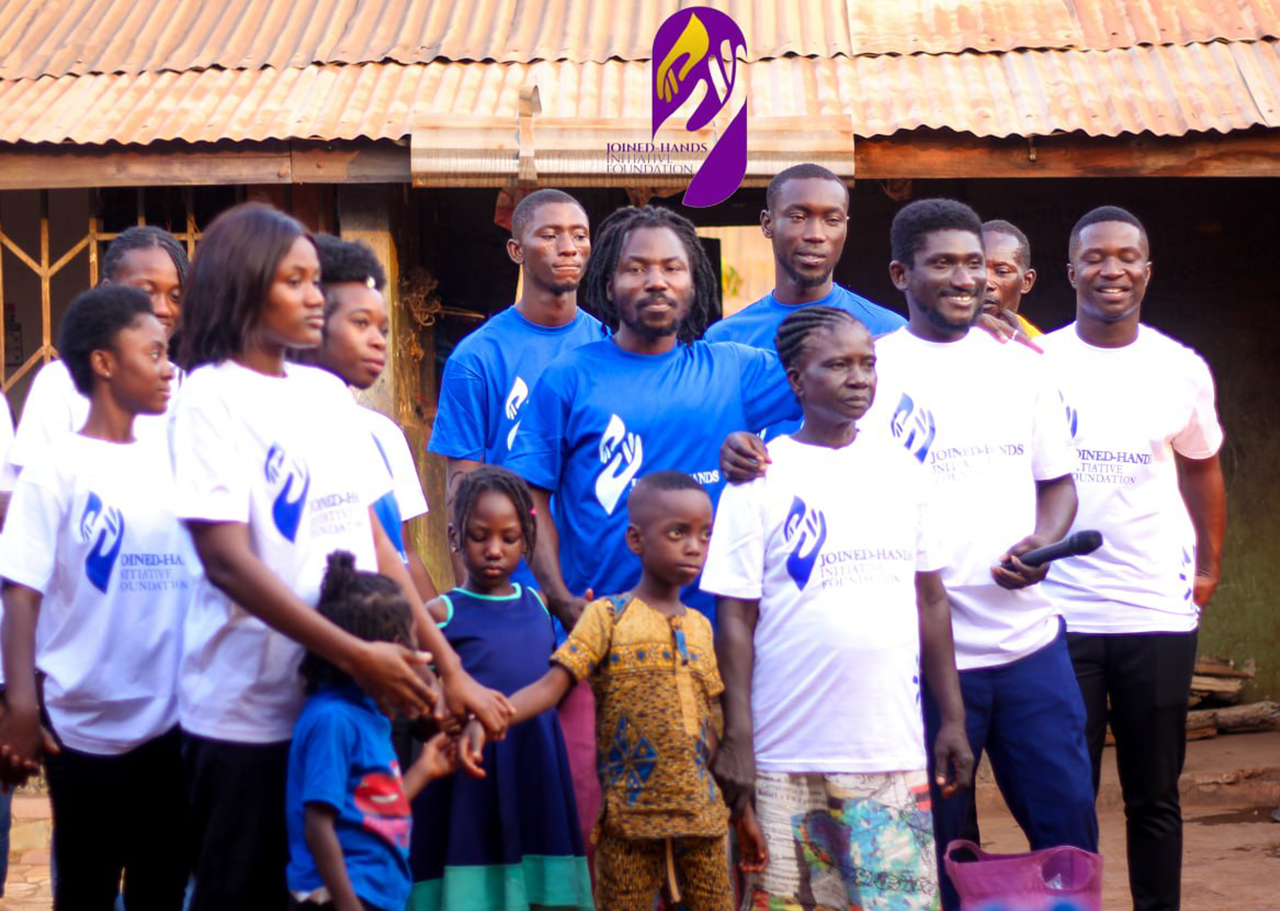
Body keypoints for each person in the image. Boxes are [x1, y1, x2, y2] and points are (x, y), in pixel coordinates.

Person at [170, 202, 511, 911]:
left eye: (315, 281)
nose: (314, 297)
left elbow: (378, 545)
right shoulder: (209, 397)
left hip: (341, 703)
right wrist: (358, 655)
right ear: (244, 284)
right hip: (247, 713)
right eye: (294, 281)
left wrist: (446, 671)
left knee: (337, 890)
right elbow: (225, 560)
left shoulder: (326, 398)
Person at [704, 305, 971, 910]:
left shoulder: (904, 471)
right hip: (783, 752)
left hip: (889, 750)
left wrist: (952, 719)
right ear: (797, 380)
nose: (858, 378)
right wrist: (739, 738)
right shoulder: (760, 477)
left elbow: (931, 600)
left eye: (867, 364)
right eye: (838, 365)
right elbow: (735, 617)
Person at [466, 471, 768, 911]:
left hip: (703, 826)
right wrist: (489, 718)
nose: (694, 547)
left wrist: (743, 816)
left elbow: (708, 733)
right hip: (629, 828)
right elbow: (551, 688)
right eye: (678, 533)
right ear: (635, 539)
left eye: (704, 535)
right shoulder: (607, 617)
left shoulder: (702, 629)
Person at [1041, 206, 1226, 911]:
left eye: (1126, 256)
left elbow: (1202, 467)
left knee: (1155, 792)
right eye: (1094, 257)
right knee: (1067, 792)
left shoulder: (1179, 367)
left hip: (1154, 606)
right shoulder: (1037, 364)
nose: (1110, 269)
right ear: (1071, 271)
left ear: (1147, 271)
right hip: (1060, 610)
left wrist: (1207, 567)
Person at [504, 205, 800, 630]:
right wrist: (560, 599)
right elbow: (529, 495)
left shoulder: (736, 370)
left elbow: (835, 400)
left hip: (717, 637)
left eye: (672, 268)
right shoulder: (568, 377)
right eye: (636, 268)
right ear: (609, 286)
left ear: (694, 284)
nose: (656, 281)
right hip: (600, 636)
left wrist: (766, 456)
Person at [424, 188, 604, 862]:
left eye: (579, 233)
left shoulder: (604, 346)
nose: (568, 246)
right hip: (513, 605)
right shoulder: (479, 356)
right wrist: (473, 608)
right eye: (550, 234)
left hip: (588, 594)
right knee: (510, 776)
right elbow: (463, 488)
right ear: (515, 249)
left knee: (586, 787)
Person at [0, 285, 192, 910]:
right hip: (80, 725)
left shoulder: (178, 463)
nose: (168, 369)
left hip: (171, 721)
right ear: (105, 363)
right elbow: (21, 589)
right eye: (153, 354)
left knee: (163, 884)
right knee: (86, 884)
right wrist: (22, 704)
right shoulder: (57, 468)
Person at [409, 466, 592, 911]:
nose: (494, 550)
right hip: (470, 774)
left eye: (509, 538)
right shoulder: (440, 614)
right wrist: (438, 714)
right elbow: (413, 701)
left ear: (526, 540)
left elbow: (554, 685)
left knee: (537, 887)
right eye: (479, 536)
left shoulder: (539, 606)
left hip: (534, 766)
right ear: (455, 536)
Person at [287, 551, 459, 911]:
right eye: (408, 649)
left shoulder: (370, 714)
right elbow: (318, 826)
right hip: (338, 896)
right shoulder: (333, 720)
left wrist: (424, 770)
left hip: (377, 892)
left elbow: (372, 811)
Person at [704, 163, 906, 439]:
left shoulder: (890, 330)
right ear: (767, 223)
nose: (816, 234)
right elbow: (714, 437)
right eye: (798, 217)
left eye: (832, 220)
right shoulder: (725, 338)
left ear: (845, 227)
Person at [2, 226, 187, 492]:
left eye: (175, 296)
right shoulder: (60, 384)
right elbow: (31, 492)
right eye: (147, 292)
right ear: (108, 291)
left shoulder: (186, 388)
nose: (163, 308)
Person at [309, 234, 437, 601]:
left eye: (382, 329)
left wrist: (439, 630)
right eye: (361, 323)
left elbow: (402, 553)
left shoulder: (382, 435)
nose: (379, 341)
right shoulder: (274, 430)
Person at [981, 219, 1043, 340]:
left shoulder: (1043, 346)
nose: (986, 283)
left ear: (1027, 281)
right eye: (975, 269)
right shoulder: (941, 339)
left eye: (1001, 272)